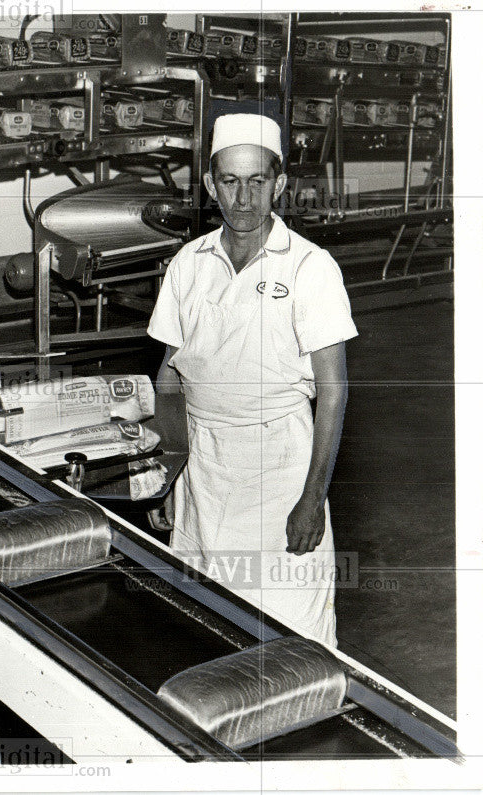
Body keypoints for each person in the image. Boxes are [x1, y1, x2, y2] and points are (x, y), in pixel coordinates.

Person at [146, 113, 357, 647]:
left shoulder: (311, 268)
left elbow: (332, 391)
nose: (244, 198)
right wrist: (169, 472)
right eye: (230, 182)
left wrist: (312, 497)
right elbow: (169, 380)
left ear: (280, 185)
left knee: (292, 640)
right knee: (203, 626)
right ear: (211, 186)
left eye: (258, 181)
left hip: (280, 470)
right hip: (203, 470)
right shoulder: (188, 264)